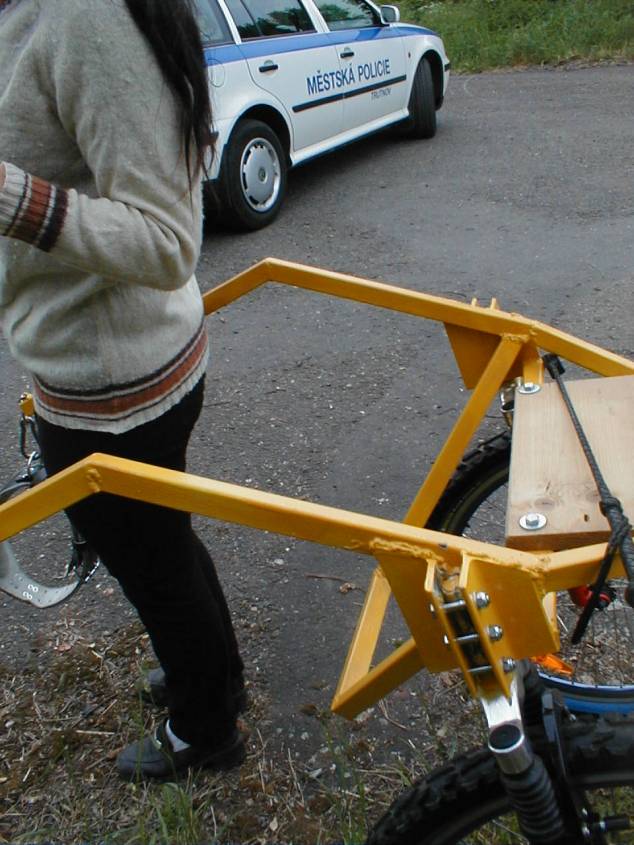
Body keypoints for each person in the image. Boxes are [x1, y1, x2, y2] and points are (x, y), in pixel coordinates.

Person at [0, 0, 246, 780]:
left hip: (116, 384)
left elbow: (167, 241)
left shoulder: (83, 17)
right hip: (102, 359)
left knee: (151, 561)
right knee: (163, 542)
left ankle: (206, 729)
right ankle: (214, 675)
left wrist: (12, 197)